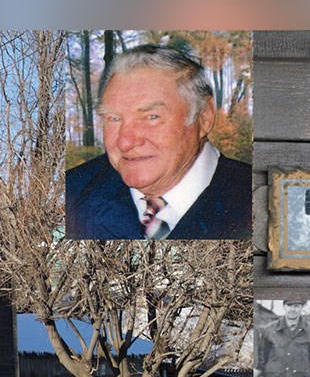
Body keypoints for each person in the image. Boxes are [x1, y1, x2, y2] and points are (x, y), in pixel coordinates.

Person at [65, 44, 252, 240]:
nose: (125, 142)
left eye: (152, 117)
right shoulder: (71, 194)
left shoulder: (262, 202)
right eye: (114, 119)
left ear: (204, 117)